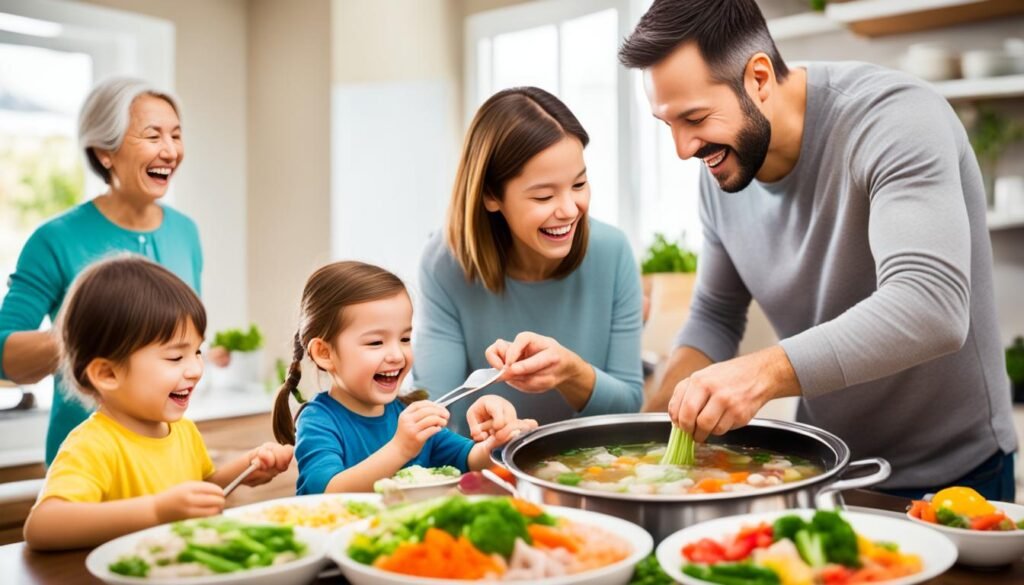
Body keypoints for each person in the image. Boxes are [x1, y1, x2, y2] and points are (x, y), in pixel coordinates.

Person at [620, 0, 1017, 498]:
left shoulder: (895, 118)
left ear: (759, 78)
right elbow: (715, 317)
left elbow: (930, 304)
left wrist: (761, 372)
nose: (682, 149)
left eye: (695, 117)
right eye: (667, 124)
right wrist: (644, 438)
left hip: (957, 474)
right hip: (828, 466)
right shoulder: (720, 170)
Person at [414, 87, 644, 434]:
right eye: (544, 195)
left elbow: (628, 405)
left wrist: (572, 372)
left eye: (579, 184)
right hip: (486, 472)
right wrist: (493, 423)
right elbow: (437, 412)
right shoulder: (444, 264)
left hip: (588, 467)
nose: (569, 210)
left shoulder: (612, 251)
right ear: (491, 194)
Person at [23, 256, 292, 551]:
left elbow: (200, 489)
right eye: (176, 357)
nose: (195, 369)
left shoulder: (182, 431)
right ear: (107, 373)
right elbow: (43, 527)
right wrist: (156, 511)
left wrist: (245, 470)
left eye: (197, 351)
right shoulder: (92, 445)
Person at [0, 77, 203, 465]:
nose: (171, 150)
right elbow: (3, 353)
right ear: (104, 151)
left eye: (176, 135)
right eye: (152, 135)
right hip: (87, 457)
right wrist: (88, 332)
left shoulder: (185, 232)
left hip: (166, 453)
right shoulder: (54, 239)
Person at [271, 261, 536, 495]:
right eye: (376, 342)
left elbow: (469, 459)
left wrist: (499, 441)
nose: (397, 354)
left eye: (405, 338)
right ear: (325, 353)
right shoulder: (319, 421)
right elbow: (327, 492)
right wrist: (401, 448)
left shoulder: (407, 415)